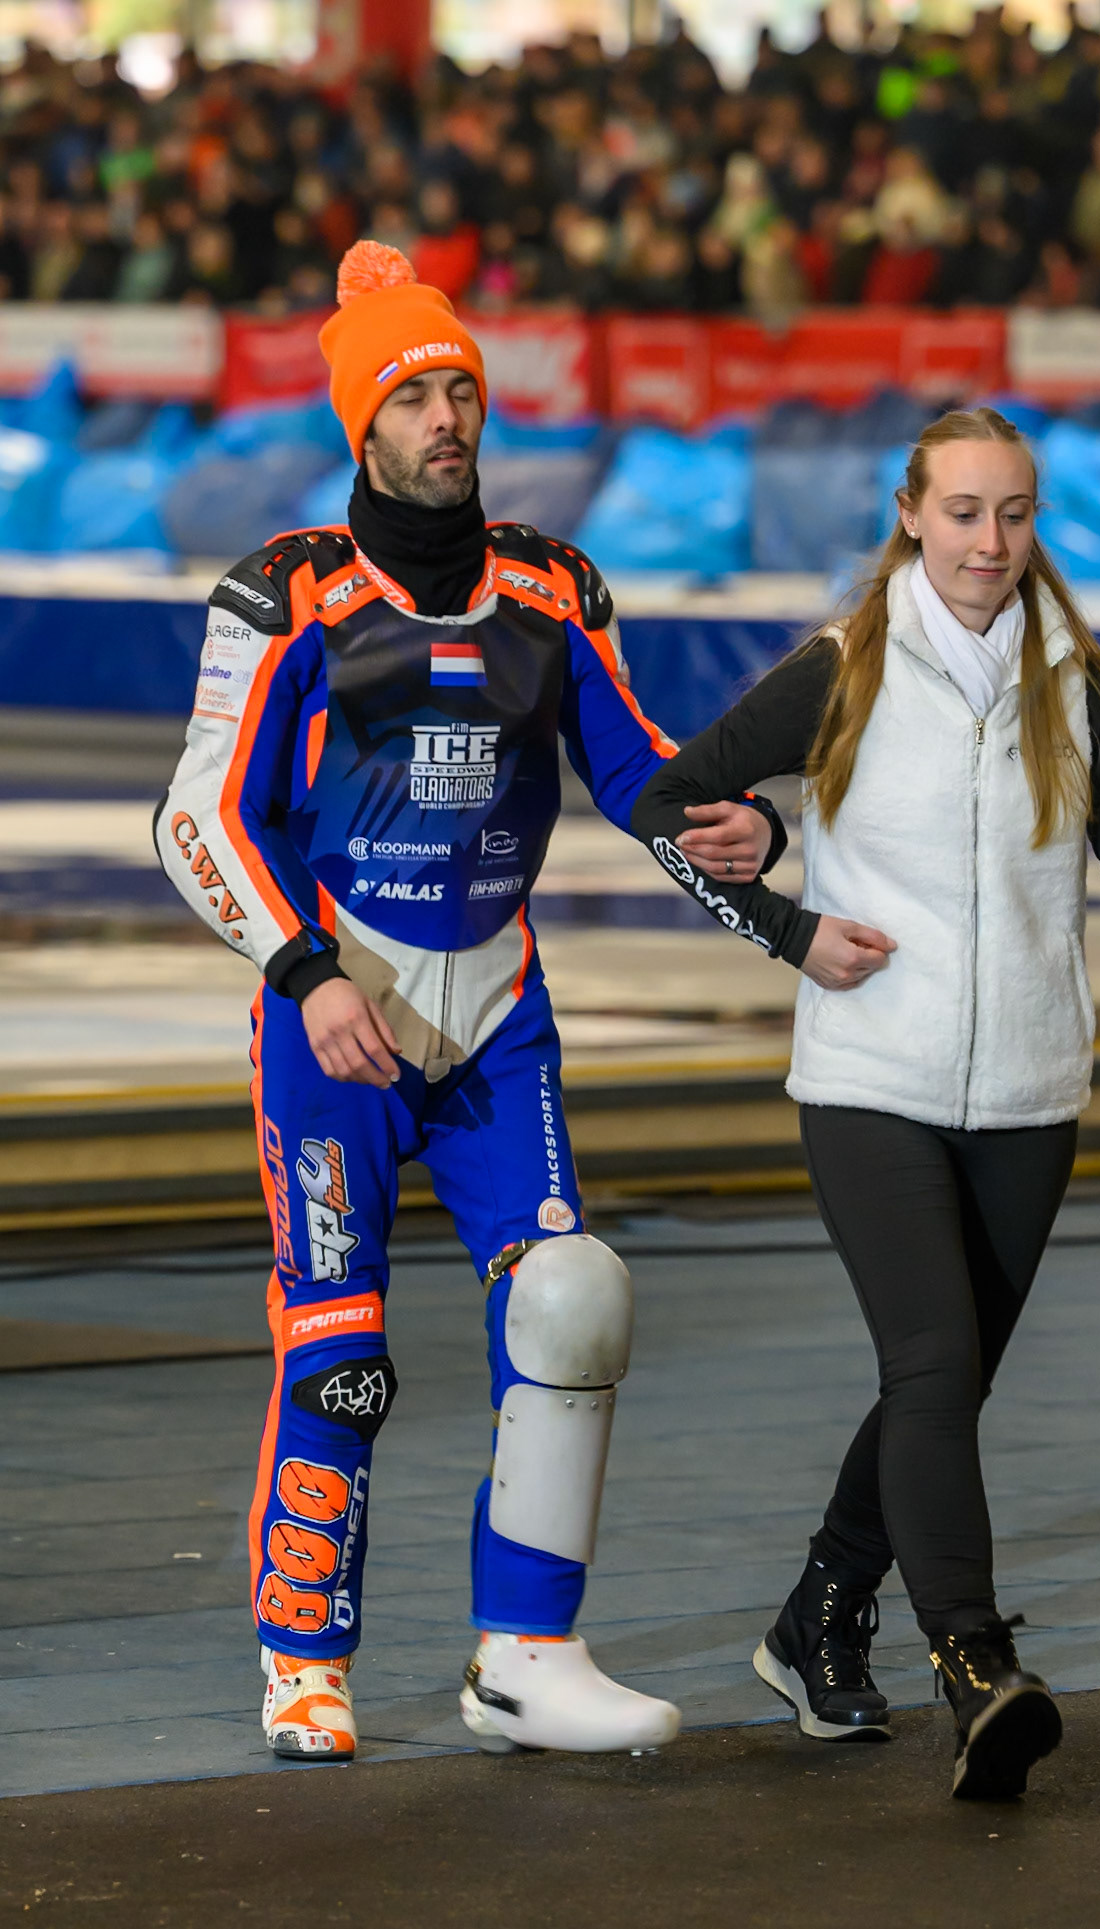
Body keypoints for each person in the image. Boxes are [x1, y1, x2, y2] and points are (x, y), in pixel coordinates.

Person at [156, 240, 781, 1763]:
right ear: (360, 424)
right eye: (415, 395)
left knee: (571, 1305)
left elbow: (637, 769)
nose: (447, 417)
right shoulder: (283, 592)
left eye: (461, 390)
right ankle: (304, 1657)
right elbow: (197, 818)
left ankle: (526, 1654)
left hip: (502, 1020)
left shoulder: (553, 588)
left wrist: (753, 846)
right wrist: (304, 975)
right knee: (341, 1355)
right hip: (337, 1027)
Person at [631, 407, 1100, 1800]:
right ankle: (970, 1661)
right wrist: (787, 925)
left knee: (949, 1375)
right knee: (929, 1365)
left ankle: (815, 1619)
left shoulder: (1073, 682)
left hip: (1031, 1089)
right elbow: (665, 803)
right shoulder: (841, 667)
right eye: (964, 513)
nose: (989, 543)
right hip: (871, 1077)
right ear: (911, 514)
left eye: (1014, 515)